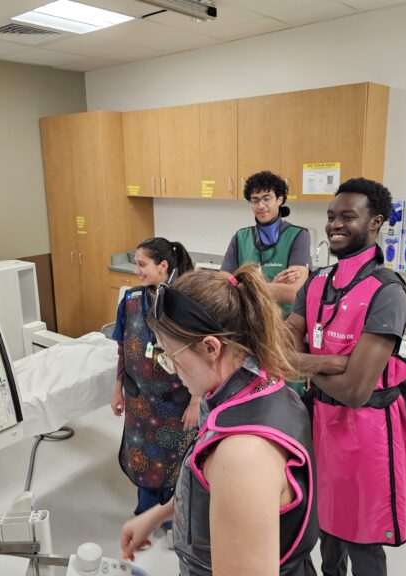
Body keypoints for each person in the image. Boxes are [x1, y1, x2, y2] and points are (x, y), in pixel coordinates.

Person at [121, 265, 319, 576]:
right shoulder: (260, 387)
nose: (169, 369)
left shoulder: (243, 455)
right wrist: (159, 514)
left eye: (172, 356)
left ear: (212, 347)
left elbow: (234, 482)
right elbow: (221, 490)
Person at [286, 178, 406, 576]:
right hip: (320, 425)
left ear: (375, 221)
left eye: (348, 217)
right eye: (330, 217)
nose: (335, 225)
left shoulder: (387, 291)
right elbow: (284, 342)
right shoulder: (317, 281)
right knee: (326, 525)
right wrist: (332, 361)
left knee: (363, 537)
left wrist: (305, 361)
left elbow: (357, 391)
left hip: (367, 432)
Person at [111, 237, 200, 549]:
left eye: (142, 264)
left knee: (175, 465)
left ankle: (175, 521)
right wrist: (118, 389)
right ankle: (145, 519)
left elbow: (201, 354)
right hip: (139, 402)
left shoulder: (185, 300)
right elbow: (123, 348)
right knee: (144, 465)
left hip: (176, 404)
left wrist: (196, 400)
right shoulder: (132, 300)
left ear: (164, 266)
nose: (136, 270)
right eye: (135, 263)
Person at [221, 170, 311, 317]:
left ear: (279, 199)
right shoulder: (240, 237)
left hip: (283, 324)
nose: (260, 206)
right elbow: (224, 285)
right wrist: (274, 287)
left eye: (266, 198)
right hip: (248, 320)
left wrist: (243, 286)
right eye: (255, 200)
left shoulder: (298, 236)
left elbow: (294, 293)